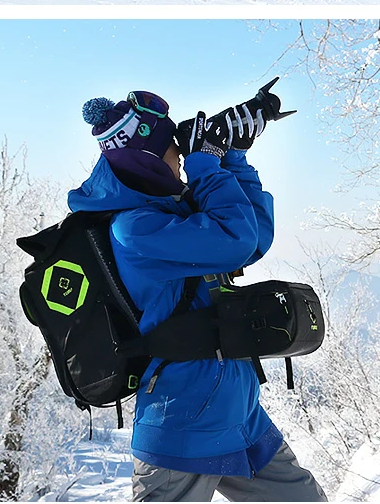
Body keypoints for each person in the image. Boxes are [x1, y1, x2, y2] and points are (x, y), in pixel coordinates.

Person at [68, 89, 327, 502]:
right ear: (148, 159)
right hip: (183, 427)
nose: (182, 159)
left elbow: (255, 236)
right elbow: (236, 239)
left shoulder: (172, 211)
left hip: (238, 414)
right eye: (176, 151)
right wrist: (207, 163)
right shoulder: (135, 230)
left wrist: (233, 156)